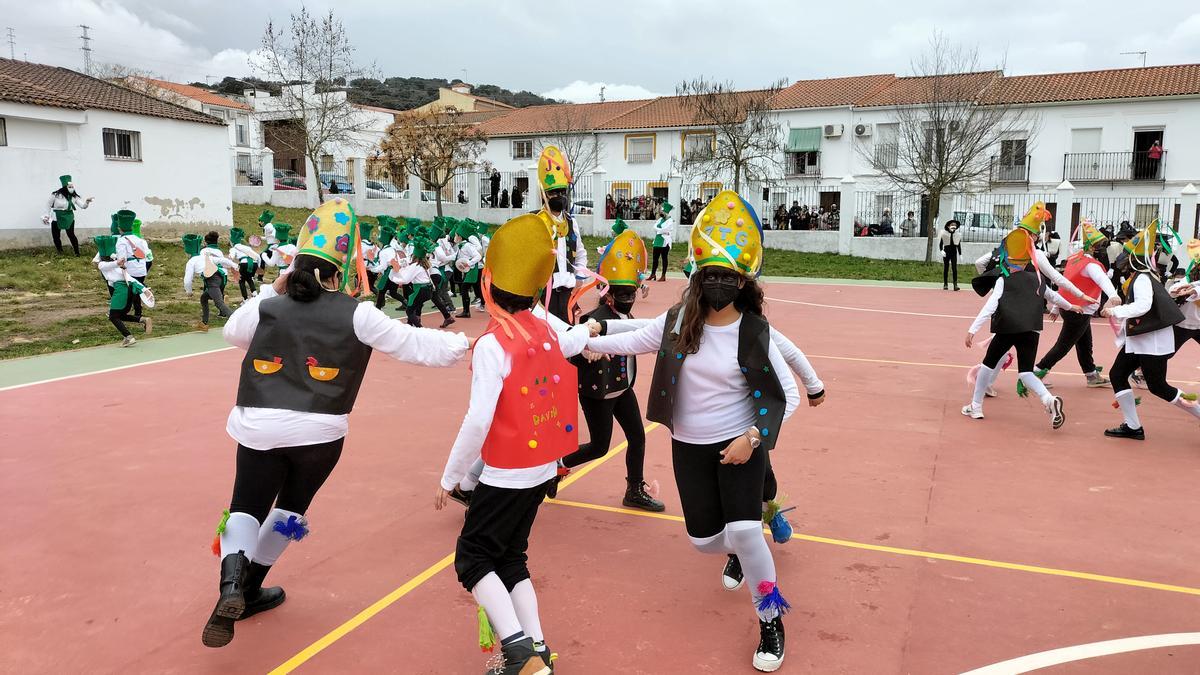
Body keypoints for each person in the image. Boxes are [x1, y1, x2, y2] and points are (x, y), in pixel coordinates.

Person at [204, 198, 469, 649]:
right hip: (320, 433)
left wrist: (273, 288)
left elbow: (233, 331)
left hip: (259, 425)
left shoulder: (270, 305)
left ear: (295, 262)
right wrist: (465, 344)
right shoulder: (358, 312)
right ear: (340, 270)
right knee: (290, 512)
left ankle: (232, 584)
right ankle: (251, 588)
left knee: (245, 507)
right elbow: (415, 345)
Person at [585, 190, 800, 672]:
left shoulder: (753, 331)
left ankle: (770, 616)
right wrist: (587, 336)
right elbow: (637, 336)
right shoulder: (681, 320)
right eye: (712, 277)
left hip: (741, 443)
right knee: (704, 539)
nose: (720, 284)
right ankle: (741, 551)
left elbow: (786, 395)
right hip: (689, 445)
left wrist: (752, 438)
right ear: (698, 279)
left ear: (743, 283)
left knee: (745, 529)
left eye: (729, 277)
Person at [436, 213, 597, 674]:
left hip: (507, 470)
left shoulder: (493, 343)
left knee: (472, 558)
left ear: (487, 285)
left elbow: (478, 419)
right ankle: (538, 648)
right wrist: (592, 329)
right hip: (544, 465)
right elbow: (573, 341)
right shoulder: (545, 328)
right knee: (510, 556)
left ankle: (519, 653)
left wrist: (449, 478)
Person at [557, 224, 664, 512]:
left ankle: (634, 490)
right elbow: (569, 350)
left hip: (622, 388)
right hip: (598, 392)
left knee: (637, 436)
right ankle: (556, 466)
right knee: (599, 446)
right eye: (621, 292)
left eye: (631, 291)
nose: (627, 296)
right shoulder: (592, 320)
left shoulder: (626, 315)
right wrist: (584, 356)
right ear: (608, 292)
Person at [963, 222, 1076, 426]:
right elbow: (1053, 296)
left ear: (1008, 260)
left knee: (988, 365)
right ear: (1027, 261)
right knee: (1026, 372)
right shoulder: (1038, 279)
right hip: (1031, 330)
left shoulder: (1003, 280)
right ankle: (1048, 399)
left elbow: (990, 306)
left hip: (1007, 328)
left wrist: (972, 330)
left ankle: (976, 406)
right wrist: (1072, 306)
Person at [1100, 220, 1200, 439]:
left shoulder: (1142, 278)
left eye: (1125, 254)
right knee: (1117, 374)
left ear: (1134, 259)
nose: (1121, 258)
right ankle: (1133, 426)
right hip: (1141, 338)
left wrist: (1115, 312)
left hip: (1152, 340)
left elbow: (1144, 306)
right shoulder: (1141, 276)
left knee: (1158, 386)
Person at [1032, 221, 1118, 389]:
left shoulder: (1074, 259)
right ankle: (1036, 372)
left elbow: (1067, 282)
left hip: (1072, 308)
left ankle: (1091, 375)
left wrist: (1057, 307)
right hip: (1079, 310)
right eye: (1100, 246)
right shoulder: (1091, 265)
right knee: (1063, 346)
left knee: (1085, 343)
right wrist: (1114, 295)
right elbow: (1103, 280)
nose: (1103, 249)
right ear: (1092, 248)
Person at [535, 146, 587, 322]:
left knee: (567, 334)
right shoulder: (535, 221)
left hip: (568, 291)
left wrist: (579, 278)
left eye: (562, 192)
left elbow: (580, 252)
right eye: (554, 192)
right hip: (543, 293)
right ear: (544, 194)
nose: (559, 196)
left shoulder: (572, 222)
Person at [94, 234, 152, 346]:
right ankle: (143, 319)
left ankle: (128, 337)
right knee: (120, 315)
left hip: (121, 290)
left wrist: (116, 262)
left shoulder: (103, 264)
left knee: (113, 316)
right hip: (129, 288)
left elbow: (101, 265)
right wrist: (143, 289)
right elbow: (131, 279)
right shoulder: (120, 266)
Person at [184, 232, 240, 332]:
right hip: (221, 277)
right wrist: (235, 265)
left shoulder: (191, 261)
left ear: (188, 252)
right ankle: (204, 323)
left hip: (212, 280)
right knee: (204, 298)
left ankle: (239, 320)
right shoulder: (205, 257)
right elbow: (223, 260)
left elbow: (188, 280)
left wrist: (189, 292)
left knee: (219, 304)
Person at [114, 209, 152, 320]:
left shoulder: (121, 241)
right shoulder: (139, 239)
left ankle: (123, 312)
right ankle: (138, 312)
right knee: (136, 290)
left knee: (129, 291)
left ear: (120, 229)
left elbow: (122, 259)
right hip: (141, 269)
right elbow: (145, 254)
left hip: (130, 270)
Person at [42, 174, 93, 256]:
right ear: (65, 187)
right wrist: (47, 215)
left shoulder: (74, 197)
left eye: (72, 186)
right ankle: (60, 251)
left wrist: (87, 201)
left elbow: (83, 206)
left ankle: (77, 252)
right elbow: (48, 204)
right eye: (69, 187)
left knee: (71, 234)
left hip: (69, 217)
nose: (72, 188)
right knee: (56, 236)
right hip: (56, 217)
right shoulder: (55, 195)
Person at [1169, 240, 1200, 354]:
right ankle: (1141, 367)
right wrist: (1179, 290)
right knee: (1167, 353)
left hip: (1199, 324)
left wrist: (1193, 290)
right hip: (1183, 323)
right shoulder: (1189, 279)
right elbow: (1172, 290)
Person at [453, 219, 484, 318]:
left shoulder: (467, 245)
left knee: (464, 288)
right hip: (468, 270)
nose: (455, 237)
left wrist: (468, 263)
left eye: (456, 235)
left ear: (460, 237)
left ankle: (466, 311)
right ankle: (467, 310)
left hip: (472, 270)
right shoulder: (461, 245)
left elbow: (478, 256)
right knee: (469, 289)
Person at [229, 227, 260, 300]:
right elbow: (257, 256)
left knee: (241, 280)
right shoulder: (246, 247)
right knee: (249, 278)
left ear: (232, 242)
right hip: (254, 263)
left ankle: (245, 299)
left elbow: (231, 257)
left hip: (244, 263)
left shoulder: (233, 248)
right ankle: (255, 295)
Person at [651, 202, 674, 282]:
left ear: (666, 213)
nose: (661, 213)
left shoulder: (670, 221)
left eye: (663, 212)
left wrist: (659, 230)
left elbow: (665, 229)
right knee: (655, 258)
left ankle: (663, 275)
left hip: (665, 240)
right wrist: (659, 230)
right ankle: (653, 274)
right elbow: (654, 227)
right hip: (657, 239)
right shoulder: (660, 219)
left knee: (664, 258)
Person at [940, 220, 963, 291]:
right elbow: (941, 244)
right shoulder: (944, 234)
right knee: (946, 268)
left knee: (954, 268)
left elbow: (958, 245)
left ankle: (955, 284)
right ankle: (945, 284)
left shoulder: (957, 235)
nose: (954, 227)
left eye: (955, 225)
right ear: (948, 226)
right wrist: (941, 250)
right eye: (952, 225)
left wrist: (960, 254)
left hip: (953, 253)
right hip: (946, 253)